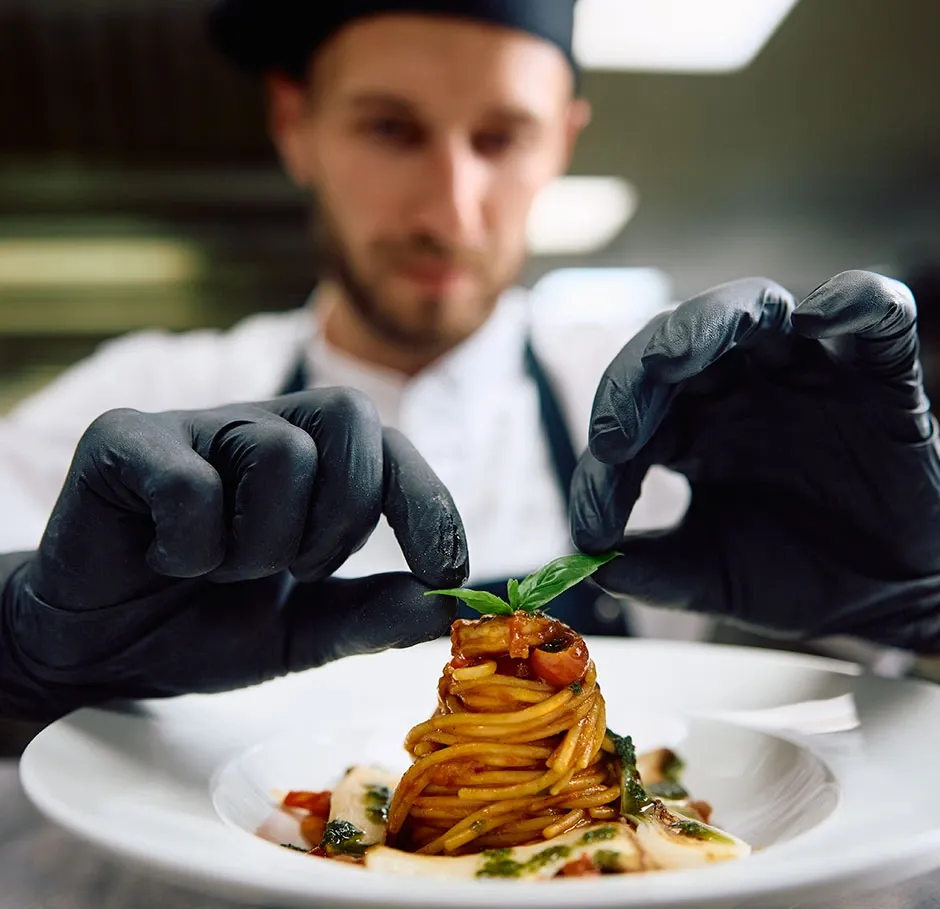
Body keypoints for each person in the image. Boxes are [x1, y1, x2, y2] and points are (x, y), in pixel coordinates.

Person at [2, 1, 940, 722]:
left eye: (501, 138)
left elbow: (820, 753)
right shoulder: (138, 400)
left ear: (562, 141)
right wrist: (20, 647)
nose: (450, 208)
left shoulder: (684, 404)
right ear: (295, 125)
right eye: (391, 130)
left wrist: (911, 606)